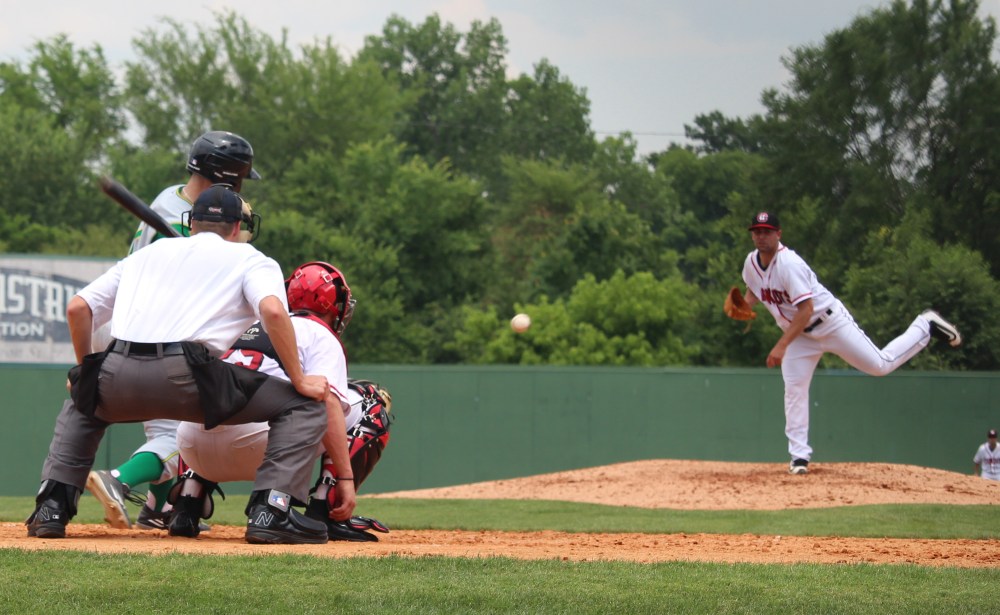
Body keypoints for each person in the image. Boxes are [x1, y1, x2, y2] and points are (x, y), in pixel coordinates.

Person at [26, 185, 336, 545]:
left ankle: (51, 508)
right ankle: (272, 510)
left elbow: (78, 308)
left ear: (191, 223)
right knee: (305, 405)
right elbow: (271, 311)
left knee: (83, 406)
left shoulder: (150, 253)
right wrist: (299, 378)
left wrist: (87, 375)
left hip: (119, 370)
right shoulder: (252, 258)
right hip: (191, 378)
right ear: (238, 228)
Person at [87, 130, 261, 531]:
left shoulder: (175, 198)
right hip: (142, 326)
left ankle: (156, 509)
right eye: (238, 177)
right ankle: (120, 479)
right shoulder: (179, 217)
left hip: (127, 320)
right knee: (184, 432)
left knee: (171, 429)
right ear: (227, 177)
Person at [168, 262, 381, 540]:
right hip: (263, 449)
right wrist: (346, 479)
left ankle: (187, 503)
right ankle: (316, 510)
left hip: (192, 448)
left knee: (221, 397)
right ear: (331, 303)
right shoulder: (319, 333)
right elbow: (328, 405)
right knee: (369, 402)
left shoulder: (247, 324)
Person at [737, 211, 962, 475]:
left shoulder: (789, 264)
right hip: (799, 335)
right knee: (794, 389)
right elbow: (755, 289)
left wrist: (781, 346)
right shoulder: (751, 263)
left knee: (879, 365)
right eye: (757, 231)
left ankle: (926, 325)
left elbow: (806, 309)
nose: (761, 236)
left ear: (778, 234)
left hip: (829, 323)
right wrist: (743, 305)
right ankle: (799, 457)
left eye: (767, 231)